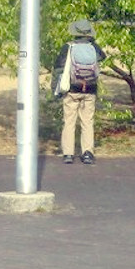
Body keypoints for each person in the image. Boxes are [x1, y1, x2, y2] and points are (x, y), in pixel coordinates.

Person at [51, 19, 106, 165]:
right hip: (90, 89)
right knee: (87, 122)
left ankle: (68, 154)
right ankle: (87, 153)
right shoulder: (94, 47)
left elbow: (58, 68)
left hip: (72, 90)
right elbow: (103, 57)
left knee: (69, 122)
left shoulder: (68, 47)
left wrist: (55, 90)